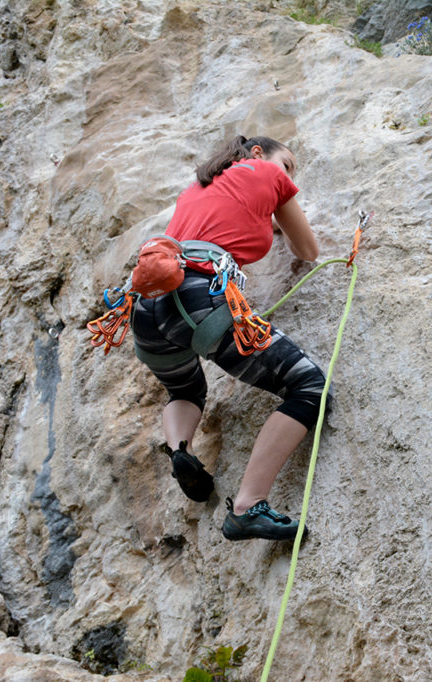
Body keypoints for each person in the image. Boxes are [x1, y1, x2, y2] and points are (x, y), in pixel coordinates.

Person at [131, 135, 325, 542]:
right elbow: (307, 249)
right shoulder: (266, 172)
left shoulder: (198, 188)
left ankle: (181, 451)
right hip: (199, 299)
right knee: (308, 385)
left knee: (184, 389)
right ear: (257, 154)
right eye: (287, 164)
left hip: (147, 309)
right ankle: (247, 507)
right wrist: (279, 206)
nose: (288, 175)